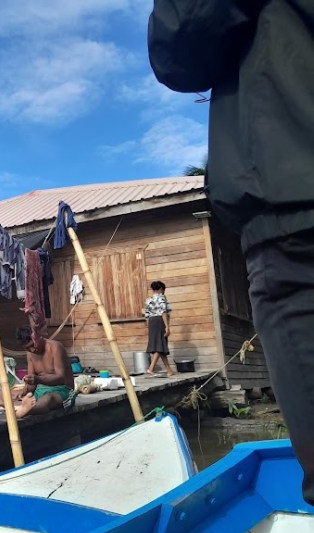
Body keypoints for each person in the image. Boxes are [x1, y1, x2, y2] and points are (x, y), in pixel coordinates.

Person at [149, 1, 314, 505]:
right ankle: (157, 370)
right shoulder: (152, 304)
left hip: (295, 205)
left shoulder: (159, 304)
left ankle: (157, 372)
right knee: (154, 346)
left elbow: (179, 47)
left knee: (158, 344)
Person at [0, 327, 76, 418]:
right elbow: (32, 384)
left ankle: (27, 410)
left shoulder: (55, 347)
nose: (32, 350)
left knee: (48, 398)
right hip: (39, 391)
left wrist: (38, 379)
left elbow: (61, 378)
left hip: (62, 391)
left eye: (33, 345)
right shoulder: (30, 354)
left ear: (38, 337)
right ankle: (17, 408)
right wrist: (24, 391)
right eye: (28, 348)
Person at [143, 280, 174, 377]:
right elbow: (163, 312)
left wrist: (149, 326)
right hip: (159, 321)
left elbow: (146, 315)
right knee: (160, 345)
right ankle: (151, 368)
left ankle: (169, 370)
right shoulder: (161, 298)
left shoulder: (148, 300)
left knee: (161, 345)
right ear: (161, 289)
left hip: (151, 322)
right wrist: (167, 327)